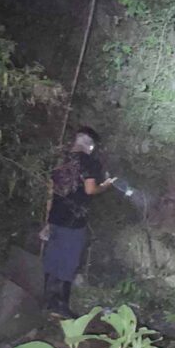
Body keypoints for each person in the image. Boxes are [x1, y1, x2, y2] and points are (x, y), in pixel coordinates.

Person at [40, 127, 116, 316]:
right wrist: (105, 186)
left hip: (56, 217)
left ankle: (46, 302)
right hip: (74, 221)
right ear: (90, 146)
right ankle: (61, 306)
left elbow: (51, 190)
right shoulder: (89, 162)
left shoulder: (61, 160)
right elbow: (90, 190)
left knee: (52, 259)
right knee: (69, 261)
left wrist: (47, 222)